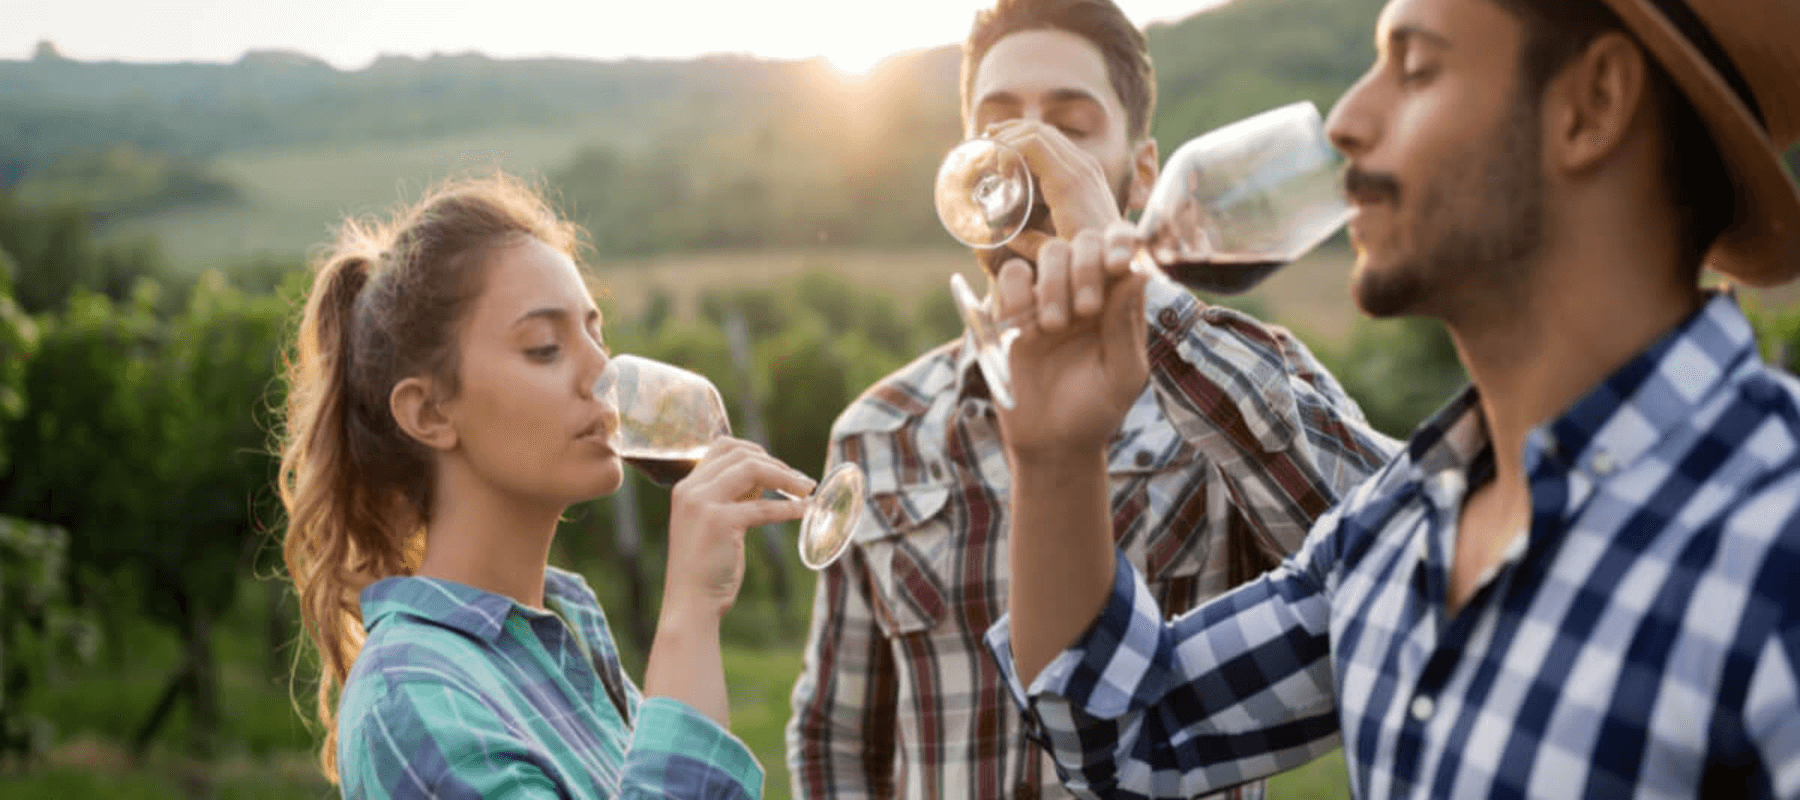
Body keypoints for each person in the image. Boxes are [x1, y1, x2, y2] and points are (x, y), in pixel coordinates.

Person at [986, 0, 1800, 796]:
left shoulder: (1776, 545)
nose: (1345, 119)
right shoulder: (1397, 523)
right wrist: (1055, 456)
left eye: (1415, 68)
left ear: (1591, 106)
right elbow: (1127, 735)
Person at [784, 0, 1399, 797]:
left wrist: (1146, 299)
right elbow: (835, 735)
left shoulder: (1230, 392)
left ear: (1140, 174)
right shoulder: (876, 430)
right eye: (997, 123)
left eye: (1070, 128)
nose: (1028, 154)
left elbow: (1404, 551)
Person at [277, 174, 816, 799]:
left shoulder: (566, 638)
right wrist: (689, 613)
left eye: (597, 334)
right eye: (544, 348)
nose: (602, 373)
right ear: (429, 413)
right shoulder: (415, 698)